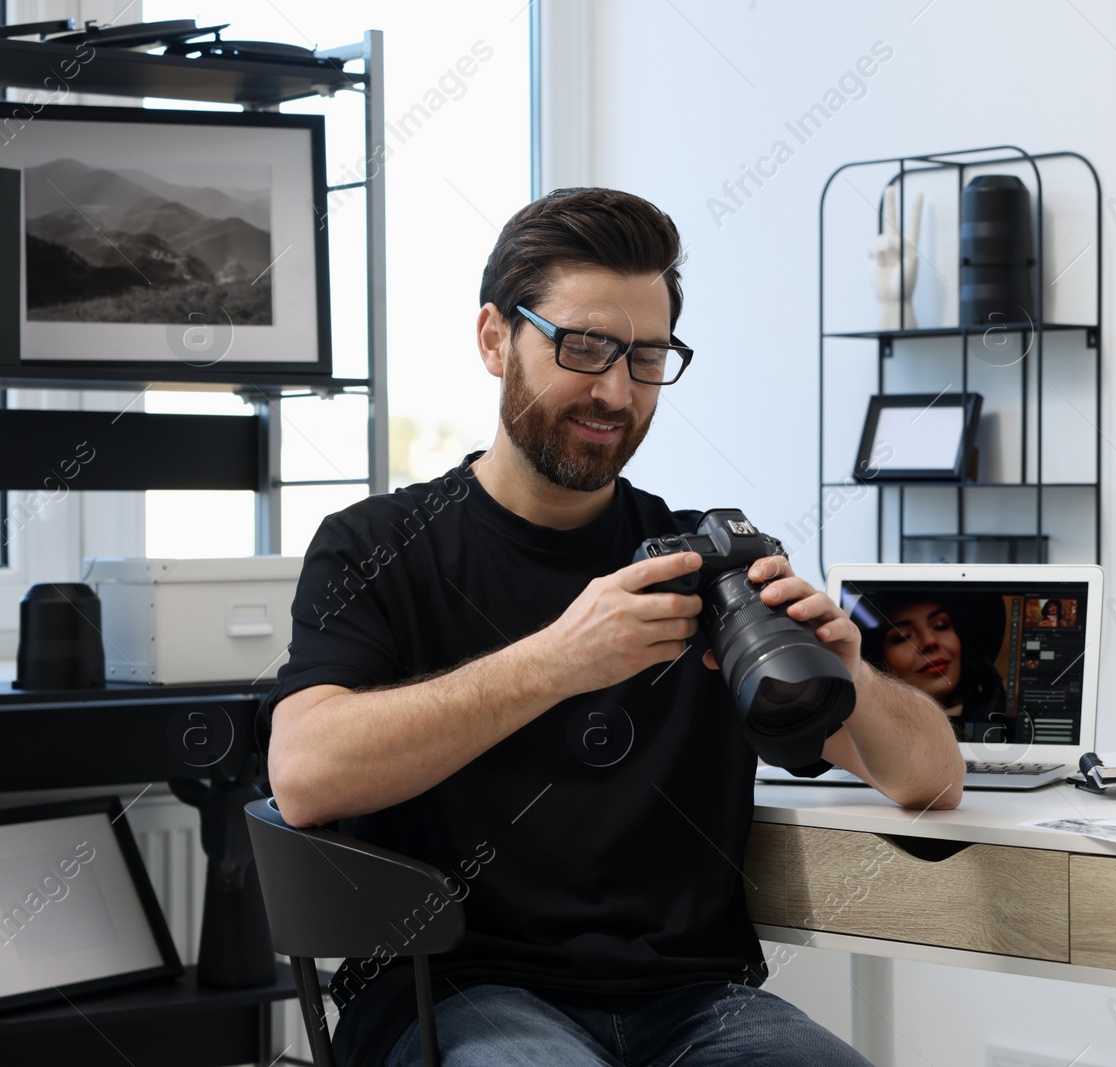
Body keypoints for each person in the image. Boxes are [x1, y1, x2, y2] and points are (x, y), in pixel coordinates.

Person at [260, 188, 964, 1067]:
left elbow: (932, 783)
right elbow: (305, 774)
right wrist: (558, 659)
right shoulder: (375, 546)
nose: (615, 390)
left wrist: (852, 679)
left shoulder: (706, 563)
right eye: (584, 347)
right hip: (455, 996)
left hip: (694, 1004)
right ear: (494, 338)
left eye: (647, 357)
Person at [859, 593, 1011, 743]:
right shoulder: (866, 740)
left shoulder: (1009, 732)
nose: (930, 641)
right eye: (903, 636)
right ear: (877, 663)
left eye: (940, 626)